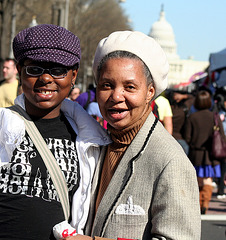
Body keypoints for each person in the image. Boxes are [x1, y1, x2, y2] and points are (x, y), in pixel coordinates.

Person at [64, 31, 201, 240]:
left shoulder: (169, 161)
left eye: (130, 87)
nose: (116, 97)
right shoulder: (93, 144)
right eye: (107, 85)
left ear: (150, 92)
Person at [0, 24, 111, 240]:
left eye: (58, 70)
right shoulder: (2, 124)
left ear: (73, 75)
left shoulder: (91, 140)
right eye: (34, 69)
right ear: (20, 71)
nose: (46, 79)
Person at [184, 90, 223, 214]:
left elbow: (187, 137)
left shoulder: (192, 118)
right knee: (208, 180)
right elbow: (222, 136)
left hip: (196, 154)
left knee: (196, 180)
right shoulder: (215, 117)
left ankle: (197, 203)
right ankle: (205, 203)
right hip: (210, 154)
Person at [167, 90, 194, 155]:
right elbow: (193, 98)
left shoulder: (165, 110)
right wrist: (183, 96)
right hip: (180, 139)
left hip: (167, 140)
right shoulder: (182, 110)